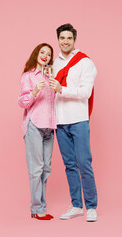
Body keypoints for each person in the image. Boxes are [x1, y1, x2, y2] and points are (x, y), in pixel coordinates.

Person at [49, 24, 98, 222]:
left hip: (78, 120)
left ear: (74, 40)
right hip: (60, 122)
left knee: (84, 163)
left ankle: (91, 206)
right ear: (58, 40)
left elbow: (85, 93)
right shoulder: (54, 63)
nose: (66, 41)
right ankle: (76, 205)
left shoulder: (85, 63)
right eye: (62, 38)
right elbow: (51, 92)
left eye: (69, 38)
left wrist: (62, 89)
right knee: (69, 165)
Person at [18, 43, 56, 220]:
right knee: (36, 169)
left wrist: (55, 83)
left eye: (48, 54)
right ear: (36, 54)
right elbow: (22, 103)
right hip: (34, 125)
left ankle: (41, 206)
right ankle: (37, 208)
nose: (45, 56)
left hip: (50, 127)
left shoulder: (51, 77)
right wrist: (34, 91)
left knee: (46, 169)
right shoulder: (28, 76)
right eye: (42, 52)